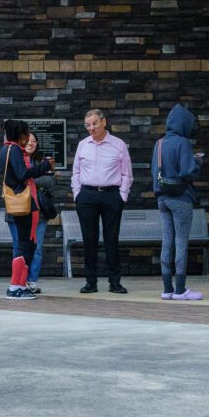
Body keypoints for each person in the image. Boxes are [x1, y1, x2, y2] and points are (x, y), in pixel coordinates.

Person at [70, 108, 133, 294]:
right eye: (87, 125)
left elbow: (126, 173)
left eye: (95, 123)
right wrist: (77, 194)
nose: (91, 128)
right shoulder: (83, 145)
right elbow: (76, 171)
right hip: (87, 195)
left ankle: (115, 282)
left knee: (111, 239)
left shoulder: (118, 144)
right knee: (89, 240)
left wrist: (122, 195)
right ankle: (91, 282)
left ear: (104, 122)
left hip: (111, 195)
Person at [153, 104, 204, 301]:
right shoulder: (183, 142)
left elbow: (154, 173)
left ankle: (167, 289)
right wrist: (197, 162)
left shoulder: (159, 143)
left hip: (162, 198)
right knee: (181, 241)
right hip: (181, 197)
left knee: (167, 241)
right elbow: (187, 172)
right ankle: (181, 289)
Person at [1, 120, 54, 300]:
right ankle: (16, 287)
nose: (28, 136)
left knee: (27, 245)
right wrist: (44, 167)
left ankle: (20, 285)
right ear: (20, 133)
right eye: (27, 132)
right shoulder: (14, 149)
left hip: (22, 204)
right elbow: (23, 174)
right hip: (23, 204)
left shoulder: (6, 149)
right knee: (25, 245)